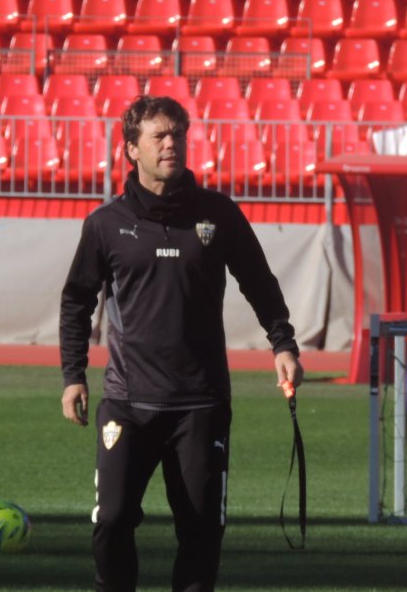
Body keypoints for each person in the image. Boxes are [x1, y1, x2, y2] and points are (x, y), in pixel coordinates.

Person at [59, 95, 303, 592]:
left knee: (201, 531)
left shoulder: (218, 214)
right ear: (132, 149)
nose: (172, 144)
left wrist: (283, 343)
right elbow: (76, 302)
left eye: (178, 134)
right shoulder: (106, 225)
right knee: (112, 520)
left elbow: (258, 281)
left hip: (201, 405)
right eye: (159, 136)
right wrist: (72, 375)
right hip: (128, 402)